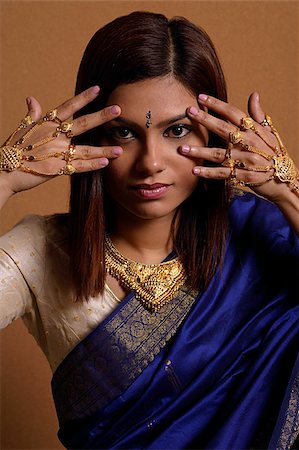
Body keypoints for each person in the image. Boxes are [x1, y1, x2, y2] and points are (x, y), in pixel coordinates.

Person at [0, 10, 298, 450]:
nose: (151, 162)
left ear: (213, 136)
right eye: (124, 132)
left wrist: (290, 194)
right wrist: (2, 179)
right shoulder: (39, 254)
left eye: (176, 130)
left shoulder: (262, 232)